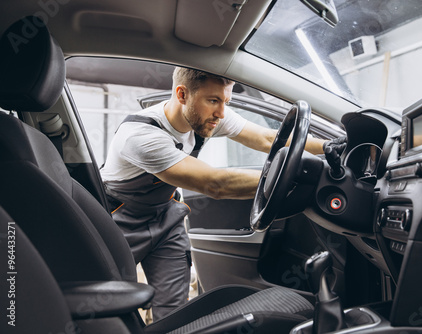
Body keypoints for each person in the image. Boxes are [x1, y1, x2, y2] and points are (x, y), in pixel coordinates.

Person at [100, 67, 326, 321]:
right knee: (113, 306)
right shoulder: (140, 136)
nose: (221, 112)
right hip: (122, 222)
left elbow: (266, 139)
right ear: (182, 94)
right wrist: (295, 178)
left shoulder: (207, 116)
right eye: (213, 101)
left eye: (225, 101)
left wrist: (328, 148)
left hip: (167, 217)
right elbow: (216, 184)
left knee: (174, 310)